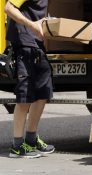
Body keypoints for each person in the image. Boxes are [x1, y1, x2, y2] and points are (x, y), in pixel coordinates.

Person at [4, 0, 55, 158]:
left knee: (44, 91)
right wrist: (32, 25)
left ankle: (31, 140)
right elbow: (8, 8)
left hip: (37, 45)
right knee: (25, 96)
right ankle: (17, 146)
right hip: (24, 43)